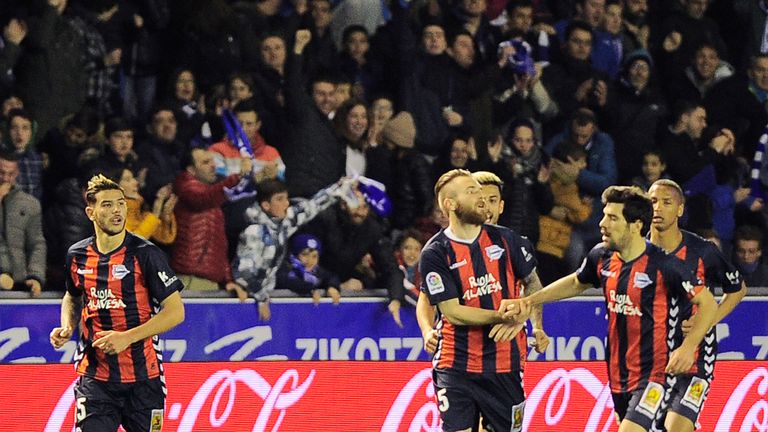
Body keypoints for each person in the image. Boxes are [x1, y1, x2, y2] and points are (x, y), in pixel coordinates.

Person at [506, 185, 717, 432]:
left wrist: (689, 346)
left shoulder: (665, 265)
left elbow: (708, 304)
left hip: (655, 376)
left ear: (636, 225)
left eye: (613, 217)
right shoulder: (601, 256)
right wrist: (530, 301)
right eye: (605, 214)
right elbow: (577, 281)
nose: (602, 223)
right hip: (618, 374)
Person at [49, 174, 185, 431]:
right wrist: (67, 325)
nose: (117, 211)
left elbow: (176, 312)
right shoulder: (77, 255)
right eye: (107, 204)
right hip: (95, 378)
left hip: (145, 380)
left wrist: (127, 337)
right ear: (90, 212)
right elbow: (72, 296)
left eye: (120, 203)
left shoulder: (146, 254)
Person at [419, 169, 547, 431]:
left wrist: (529, 317)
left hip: (505, 364)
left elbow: (533, 284)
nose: (480, 198)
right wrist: (504, 315)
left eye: (480, 191)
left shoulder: (508, 240)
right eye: (471, 191)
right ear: (450, 205)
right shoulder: (435, 252)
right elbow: (452, 311)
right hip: (456, 364)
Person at [648, 179, 746, 432]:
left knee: (676, 426)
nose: (657, 208)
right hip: (649, 359)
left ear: (680, 209)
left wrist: (707, 322)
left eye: (666, 202)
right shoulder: (635, 251)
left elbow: (738, 289)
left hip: (696, 358)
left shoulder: (703, 251)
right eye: (652, 202)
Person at [232, 177, 355, 321]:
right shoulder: (254, 232)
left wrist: (339, 188)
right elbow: (244, 272)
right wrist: (261, 298)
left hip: (268, 295)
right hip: (248, 299)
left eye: (286, 198)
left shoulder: (282, 223)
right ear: (266, 205)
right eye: (280, 199)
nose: (286, 203)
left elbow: (312, 206)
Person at [0, 152, 46, 296]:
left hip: (19, 284)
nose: (6, 178)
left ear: (18, 172)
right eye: (1, 173)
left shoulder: (30, 204)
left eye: (11, 174)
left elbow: (37, 244)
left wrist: (35, 276)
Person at [732, 225, 768, 289]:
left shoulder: (766, 275)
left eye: (751, 251)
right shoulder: (725, 274)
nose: (746, 256)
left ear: (759, 252)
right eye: (741, 251)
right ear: (736, 252)